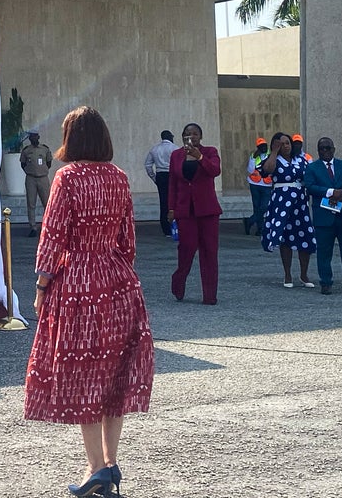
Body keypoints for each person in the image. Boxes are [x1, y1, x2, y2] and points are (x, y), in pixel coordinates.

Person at [24, 107, 153, 498]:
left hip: (79, 281)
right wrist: (118, 271)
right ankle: (111, 463)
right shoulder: (119, 177)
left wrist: (42, 285)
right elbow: (128, 240)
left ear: (72, 138)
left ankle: (96, 467)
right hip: (118, 281)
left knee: (85, 375)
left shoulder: (68, 178)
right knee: (114, 375)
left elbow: (53, 235)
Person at [167, 123, 222, 304]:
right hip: (185, 210)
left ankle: (210, 295)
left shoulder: (210, 152)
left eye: (195, 133)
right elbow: (173, 183)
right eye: (187, 133)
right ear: (182, 136)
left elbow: (215, 170)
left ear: (201, 136)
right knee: (186, 249)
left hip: (207, 210)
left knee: (209, 252)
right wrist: (171, 208)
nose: (191, 136)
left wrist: (199, 157)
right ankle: (179, 280)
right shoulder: (176, 155)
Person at [303, 137, 342, 296]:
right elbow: (309, 186)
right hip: (324, 217)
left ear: (333, 149)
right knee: (324, 252)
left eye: (328, 148)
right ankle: (326, 283)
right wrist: (330, 192)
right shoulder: (312, 168)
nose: (325, 151)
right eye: (321, 148)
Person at [259, 132, 317, 288]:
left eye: (287, 143)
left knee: (304, 234)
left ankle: (304, 274)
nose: (285, 146)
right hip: (282, 202)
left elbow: (310, 176)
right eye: (281, 144)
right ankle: (287, 274)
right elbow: (267, 171)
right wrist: (274, 152)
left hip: (300, 202)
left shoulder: (301, 160)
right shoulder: (273, 160)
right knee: (285, 237)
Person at [19, 129, 53, 238]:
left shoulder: (44, 149)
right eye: (31, 137)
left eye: (35, 136)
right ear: (29, 138)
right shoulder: (26, 150)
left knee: (47, 203)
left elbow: (49, 163)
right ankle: (33, 227)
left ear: (38, 137)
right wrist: (30, 171)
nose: (33, 138)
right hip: (31, 179)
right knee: (31, 203)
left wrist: (42, 170)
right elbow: (23, 164)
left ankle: (48, 226)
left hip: (43, 178)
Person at [143, 130, 176, 237]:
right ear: (170, 137)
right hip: (172, 175)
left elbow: (148, 165)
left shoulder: (155, 149)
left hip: (160, 175)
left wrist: (154, 177)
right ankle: (175, 227)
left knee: (163, 202)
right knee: (174, 200)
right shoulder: (175, 148)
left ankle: (166, 229)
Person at [244, 137, 272, 237]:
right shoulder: (254, 156)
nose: (263, 148)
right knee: (257, 207)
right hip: (254, 184)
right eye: (261, 146)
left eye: (264, 146)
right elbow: (250, 170)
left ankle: (249, 221)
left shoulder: (271, 155)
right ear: (258, 147)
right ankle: (260, 229)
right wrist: (253, 158)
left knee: (264, 206)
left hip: (267, 185)